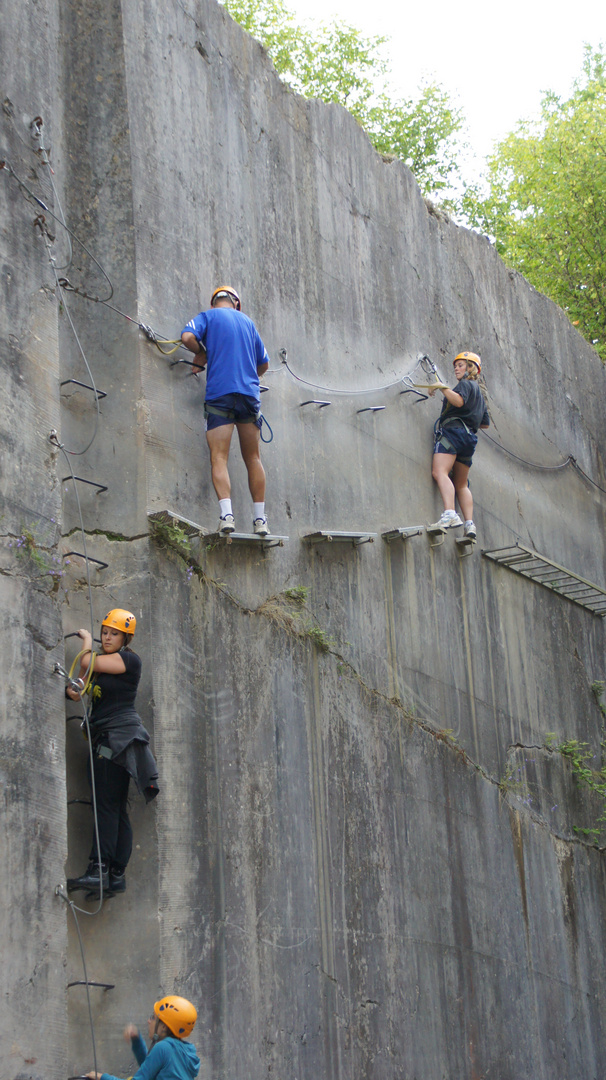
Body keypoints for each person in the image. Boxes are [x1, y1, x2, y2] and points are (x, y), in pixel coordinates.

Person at [66, 608, 159, 897]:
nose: (107, 637)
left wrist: (86, 641)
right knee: (115, 807)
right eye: (104, 632)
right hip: (112, 738)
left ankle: (100, 870)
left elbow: (85, 659)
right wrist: (83, 671)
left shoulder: (128, 660)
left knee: (106, 804)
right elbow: (75, 691)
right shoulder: (103, 664)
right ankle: (115, 875)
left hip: (117, 739)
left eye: (113, 633)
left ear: (125, 638)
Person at [181, 285, 270, 536]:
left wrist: (203, 352)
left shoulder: (207, 317)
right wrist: (249, 377)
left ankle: (227, 516)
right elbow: (263, 363)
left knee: (219, 457)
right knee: (252, 458)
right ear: (236, 304)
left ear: (214, 303)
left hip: (220, 394)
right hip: (249, 397)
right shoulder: (248, 323)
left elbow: (187, 337)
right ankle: (260, 519)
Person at [428, 351, 489, 539]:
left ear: (471, 368)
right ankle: (470, 524)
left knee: (440, 472)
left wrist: (441, 387)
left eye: (461, 365)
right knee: (461, 484)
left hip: (454, 432)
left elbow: (459, 401)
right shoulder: (479, 394)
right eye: (456, 365)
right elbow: (484, 423)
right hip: (470, 439)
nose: (457, 368)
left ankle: (450, 514)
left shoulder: (465, 384)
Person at [85, 995, 200, 1080]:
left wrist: (102, 1077)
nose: (149, 1021)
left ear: (164, 1027)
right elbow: (150, 1068)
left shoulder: (163, 1047)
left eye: (153, 1018)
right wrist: (136, 1040)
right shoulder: (185, 1051)